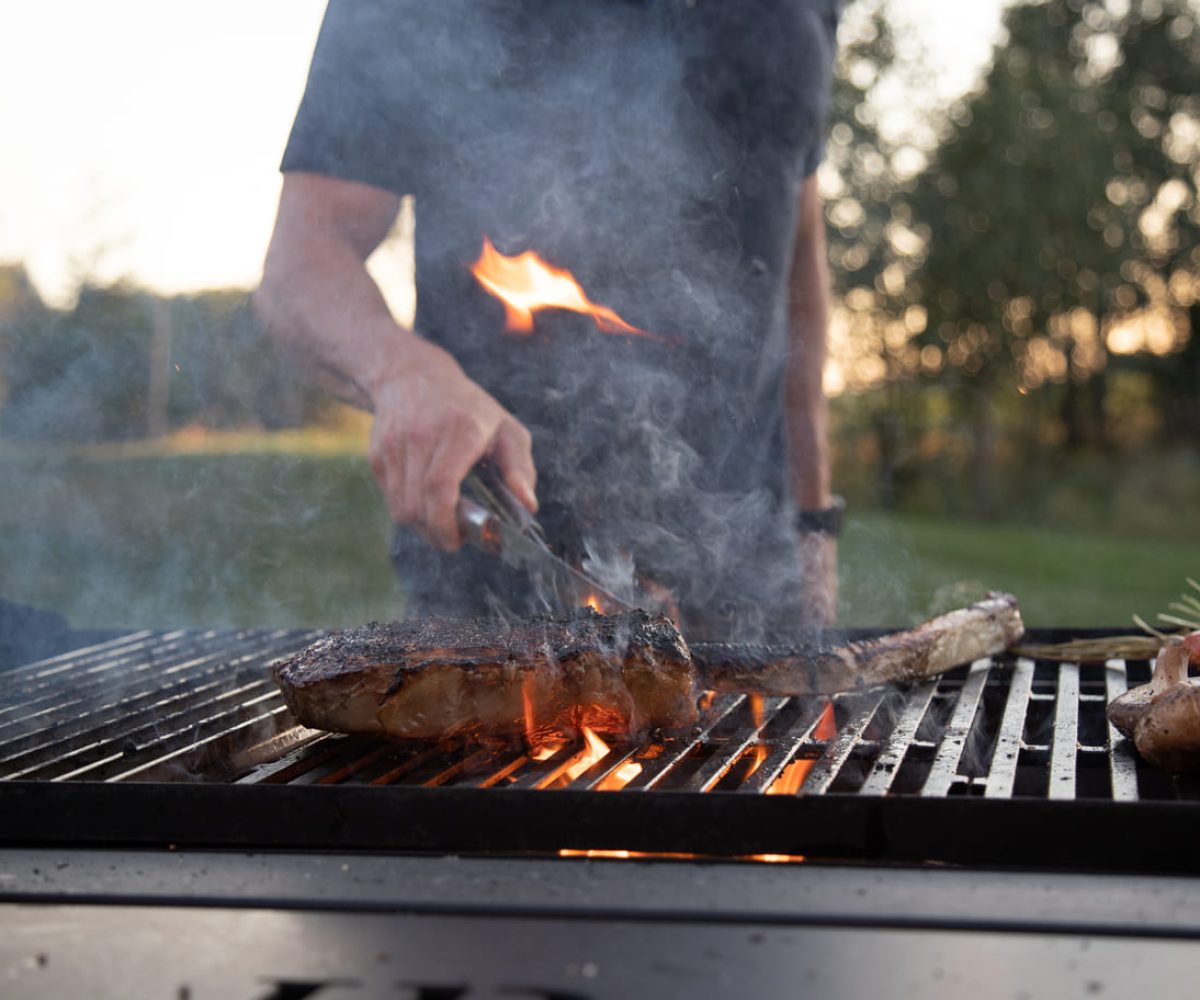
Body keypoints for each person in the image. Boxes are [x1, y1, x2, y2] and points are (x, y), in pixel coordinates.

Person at [256, 0, 842, 640]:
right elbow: (303, 260)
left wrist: (814, 526)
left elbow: (798, 262)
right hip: (502, 586)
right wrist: (399, 373)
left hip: (749, 577)